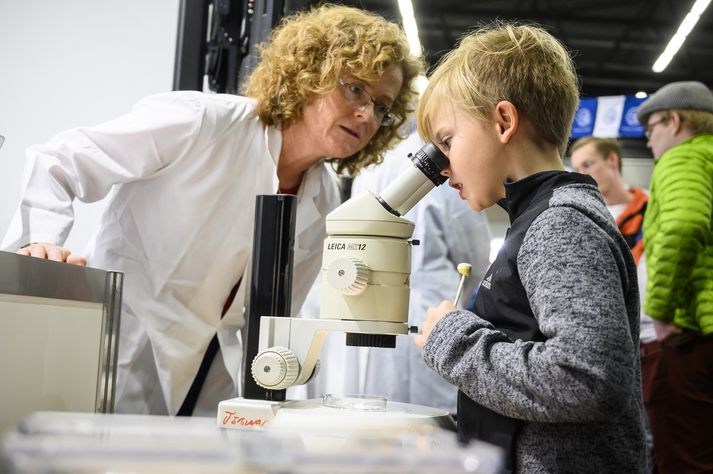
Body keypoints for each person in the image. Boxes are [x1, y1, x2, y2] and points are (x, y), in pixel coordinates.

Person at [1, 4, 424, 417]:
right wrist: (40, 242)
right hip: (118, 345)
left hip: (212, 375)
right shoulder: (204, 122)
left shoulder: (325, 197)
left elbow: (277, 321)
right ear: (310, 74)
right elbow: (61, 161)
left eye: (382, 106)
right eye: (354, 88)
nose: (366, 114)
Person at [413, 23, 646, 472]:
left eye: (447, 141)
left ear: (504, 121)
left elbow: (587, 378)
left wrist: (453, 342)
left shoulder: (559, 225)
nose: (443, 167)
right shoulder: (542, 219)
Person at [288, 130, 492, 413]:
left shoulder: (379, 164)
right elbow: (474, 257)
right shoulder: (381, 163)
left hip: (404, 317)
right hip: (411, 313)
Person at [635, 80, 713, 473]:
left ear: (676, 121)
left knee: (682, 457)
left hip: (693, 334)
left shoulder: (683, 159)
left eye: (651, 130)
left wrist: (661, 311)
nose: (649, 143)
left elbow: (683, 225)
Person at [569, 137, 654, 343]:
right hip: (611, 338)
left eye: (587, 164)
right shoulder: (579, 220)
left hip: (656, 334)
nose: (581, 174)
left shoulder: (653, 207)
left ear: (612, 160)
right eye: (576, 168)